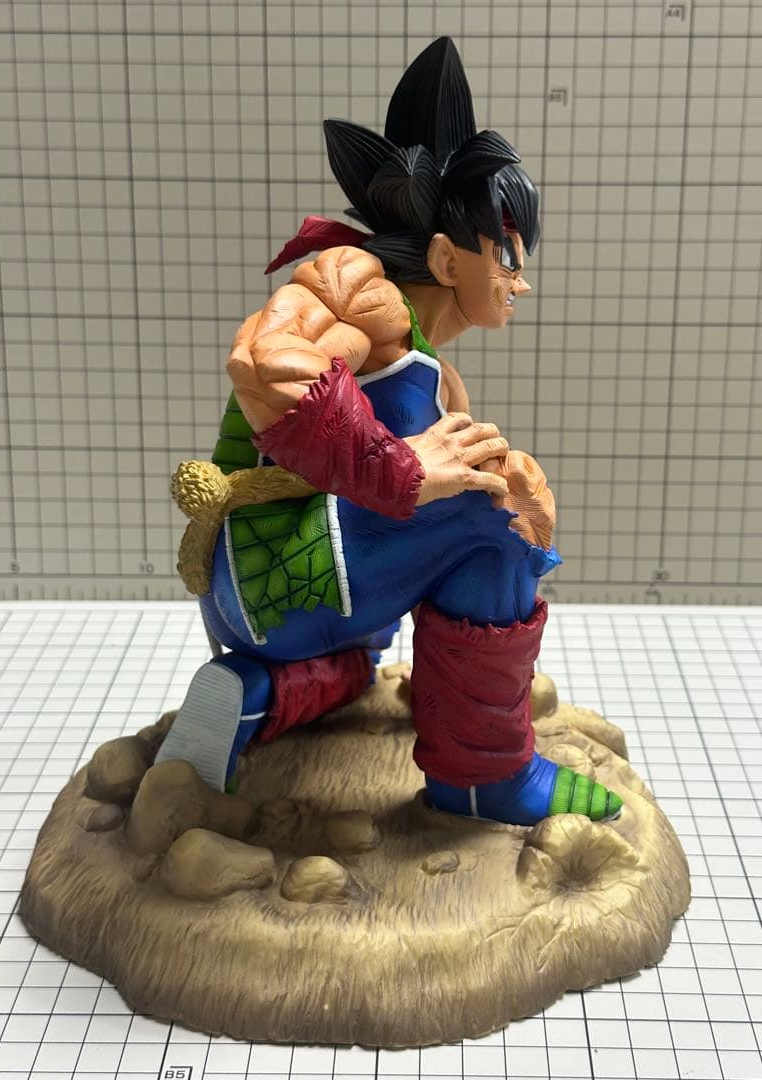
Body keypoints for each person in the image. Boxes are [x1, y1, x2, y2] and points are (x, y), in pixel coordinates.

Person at [157, 38, 623, 826]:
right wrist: (401, 468)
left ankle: (253, 697)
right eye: (507, 256)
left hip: (285, 608)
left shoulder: (428, 365)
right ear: (445, 256)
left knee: (360, 665)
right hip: (273, 573)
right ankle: (484, 779)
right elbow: (264, 360)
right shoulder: (358, 290)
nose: (521, 281)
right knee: (492, 517)